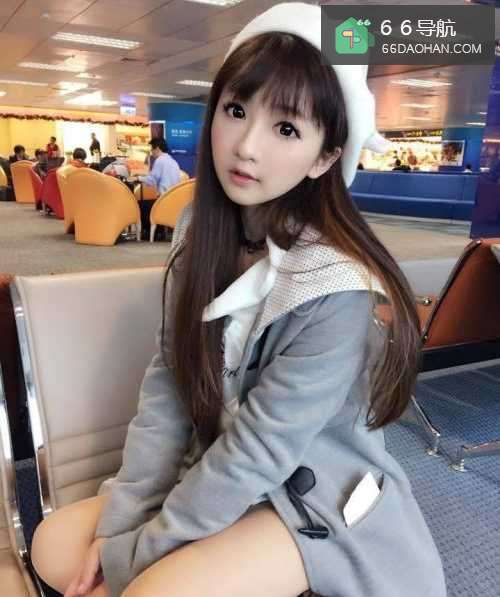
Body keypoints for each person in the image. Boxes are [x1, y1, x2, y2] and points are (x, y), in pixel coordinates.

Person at [30, 4, 446, 597]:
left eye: (286, 129)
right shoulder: (200, 231)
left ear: (325, 157)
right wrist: (122, 524)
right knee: (52, 547)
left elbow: (260, 451)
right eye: (236, 110)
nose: (247, 146)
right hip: (214, 463)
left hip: (310, 491)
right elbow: (170, 383)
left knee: (146, 588)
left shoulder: (337, 287)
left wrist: (134, 557)